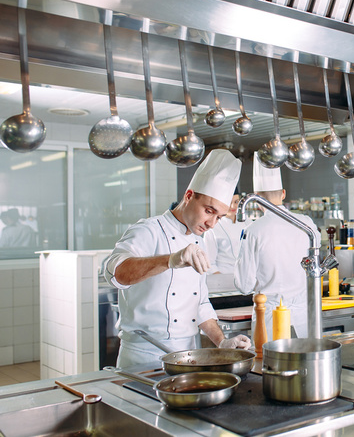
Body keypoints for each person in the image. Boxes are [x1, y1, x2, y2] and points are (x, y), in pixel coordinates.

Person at [103, 150, 252, 368]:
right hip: (145, 355)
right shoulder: (148, 230)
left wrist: (222, 342)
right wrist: (170, 260)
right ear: (189, 195)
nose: (212, 223)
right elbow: (115, 273)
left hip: (188, 355)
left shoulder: (201, 240)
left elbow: (199, 302)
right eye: (209, 211)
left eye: (219, 217)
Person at [236, 152, 321, 338]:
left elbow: (244, 285)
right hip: (305, 316)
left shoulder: (254, 230)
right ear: (284, 193)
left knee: (272, 365)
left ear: (257, 198)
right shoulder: (307, 223)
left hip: (270, 318)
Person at [204, 187, 248, 275]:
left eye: (236, 202)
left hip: (245, 278)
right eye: (229, 202)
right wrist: (222, 280)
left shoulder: (248, 223)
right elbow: (209, 263)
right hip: (222, 278)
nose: (233, 206)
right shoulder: (212, 227)